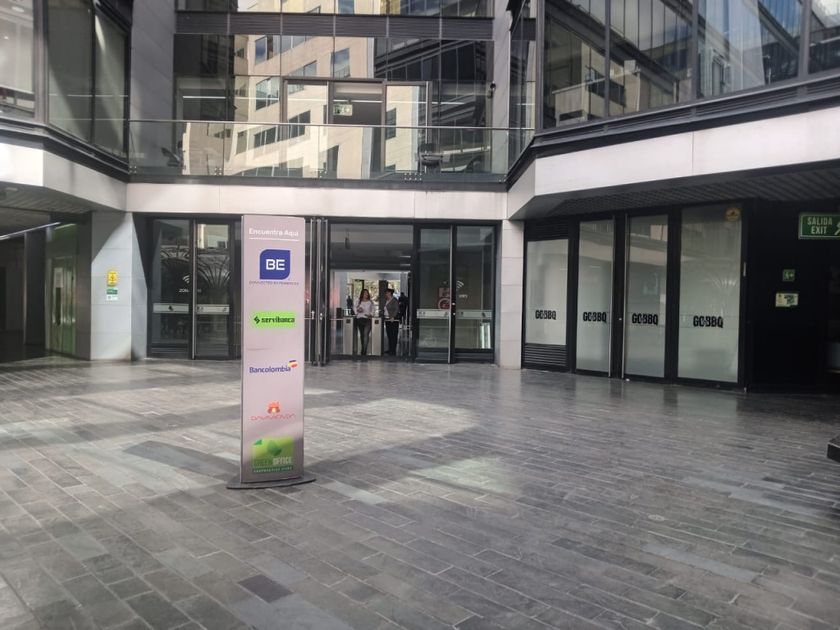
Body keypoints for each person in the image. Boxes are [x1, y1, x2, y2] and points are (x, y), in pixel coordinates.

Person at [354, 288, 374, 356]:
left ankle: (364, 351)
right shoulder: (358, 301)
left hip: (367, 320)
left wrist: (370, 314)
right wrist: (358, 310)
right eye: (364, 293)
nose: (365, 294)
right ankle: (363, 347)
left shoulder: (370, 302)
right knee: (362, 335)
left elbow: (373, 310)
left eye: (367, 293)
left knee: (366, 334)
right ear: (362, 294)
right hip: (360, 319)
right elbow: (354, 308)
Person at [383, 288, 399, 356]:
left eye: (386, 293)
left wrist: (393, 317)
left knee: (393, 335)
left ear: (390, 293)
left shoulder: (394, 300)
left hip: (393, 320)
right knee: (389, 335)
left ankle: (393, 350)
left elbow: (396, 309)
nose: (385, 294)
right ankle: (390, 349)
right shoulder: (387, 300)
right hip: (387, 319)